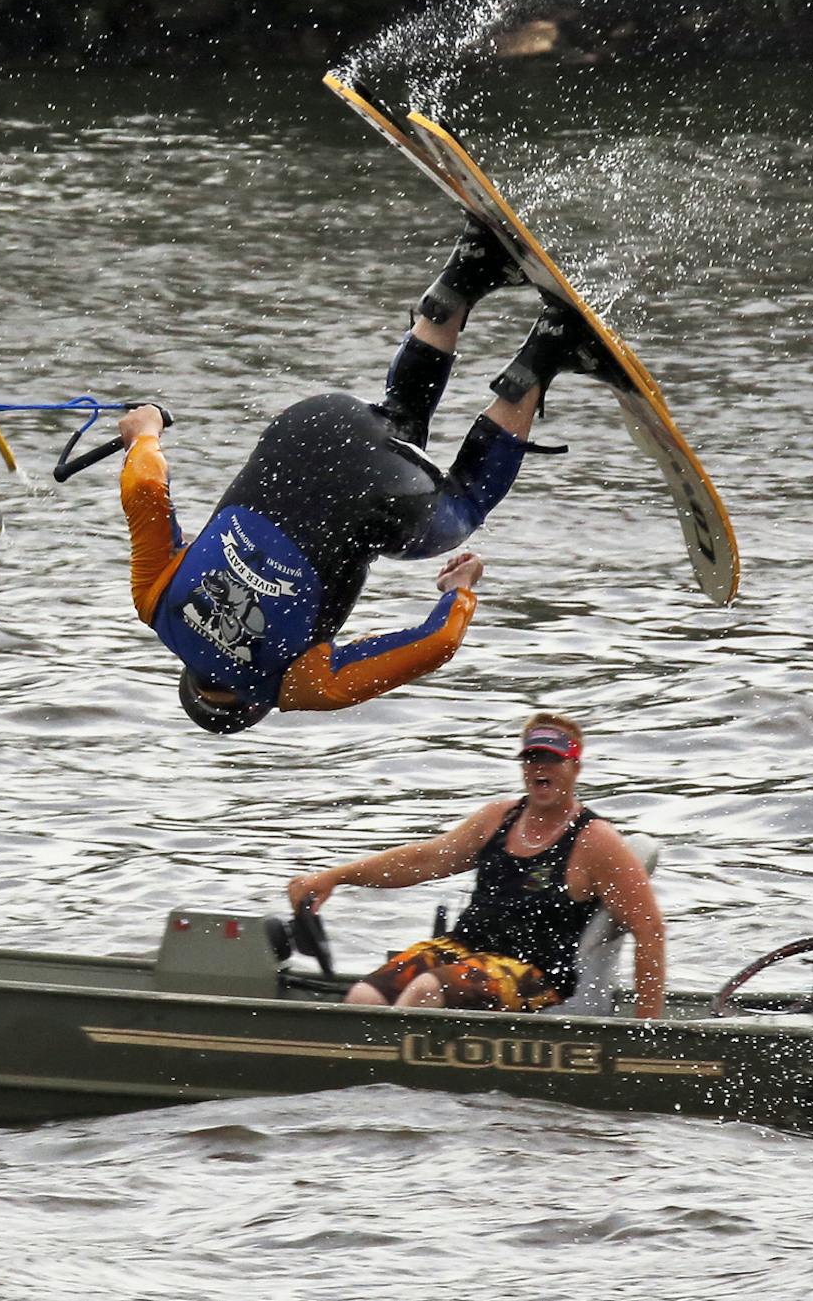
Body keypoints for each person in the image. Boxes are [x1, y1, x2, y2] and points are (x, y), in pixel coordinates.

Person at [116, 220, 621, 732]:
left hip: (377, 497)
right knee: (399, 417)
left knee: (464, 503)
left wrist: (459, 591)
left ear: (251, 707)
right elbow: (144, 489)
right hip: (314, 423)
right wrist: (145, 434)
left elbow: (437, 644)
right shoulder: (156, 602)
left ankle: (545, 352)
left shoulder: (292, 687)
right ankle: (464, 275)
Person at [287, 714, 664, 1018]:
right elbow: (423, 860)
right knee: (363, 997)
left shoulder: (596, 841)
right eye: (532, 758)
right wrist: (334, 877)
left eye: (552, 758)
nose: (540, 767)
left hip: (534, 974)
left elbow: (649, 929)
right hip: (465, 950)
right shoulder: (497, 818)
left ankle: (393, 1088)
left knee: (424, 991)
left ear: (575, 766)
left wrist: (648, 1026)